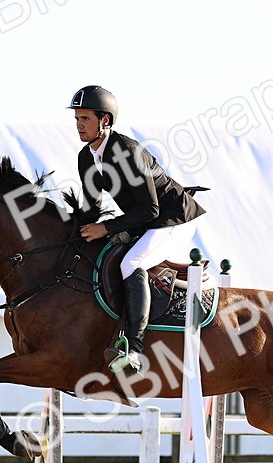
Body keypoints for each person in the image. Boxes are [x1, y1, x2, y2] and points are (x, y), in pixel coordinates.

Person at [68, 85, 205, 373]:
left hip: (175, 218)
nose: (79, 125)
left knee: (132, 262)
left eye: (85, 119)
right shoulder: (86, 157)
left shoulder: (127, 151)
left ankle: (134, 348)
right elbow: (92, 208)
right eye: (77, 119)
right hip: (146, 220)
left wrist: (106, 228)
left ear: (105, 121)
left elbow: (150, 209)